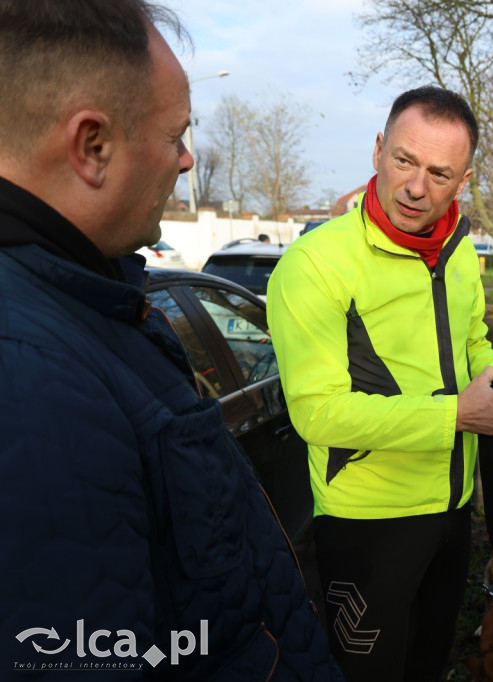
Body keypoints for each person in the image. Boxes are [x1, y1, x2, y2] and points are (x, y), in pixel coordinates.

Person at [0, 2, 342, 677]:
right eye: (176, 135)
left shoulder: (85, 307)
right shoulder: (32, 381)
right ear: (92, 146)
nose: (187, 161)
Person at [267, 86, 493, 681]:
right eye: (405, 160)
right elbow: (317, 414)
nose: (416, 187)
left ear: (462, 182)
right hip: (367, 525)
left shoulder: (460, 250)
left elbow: (470, 342)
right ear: (379, 149)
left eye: (439, 173)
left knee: (426, 665)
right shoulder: (314, 264)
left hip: (453, 509)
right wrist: (456, 417)